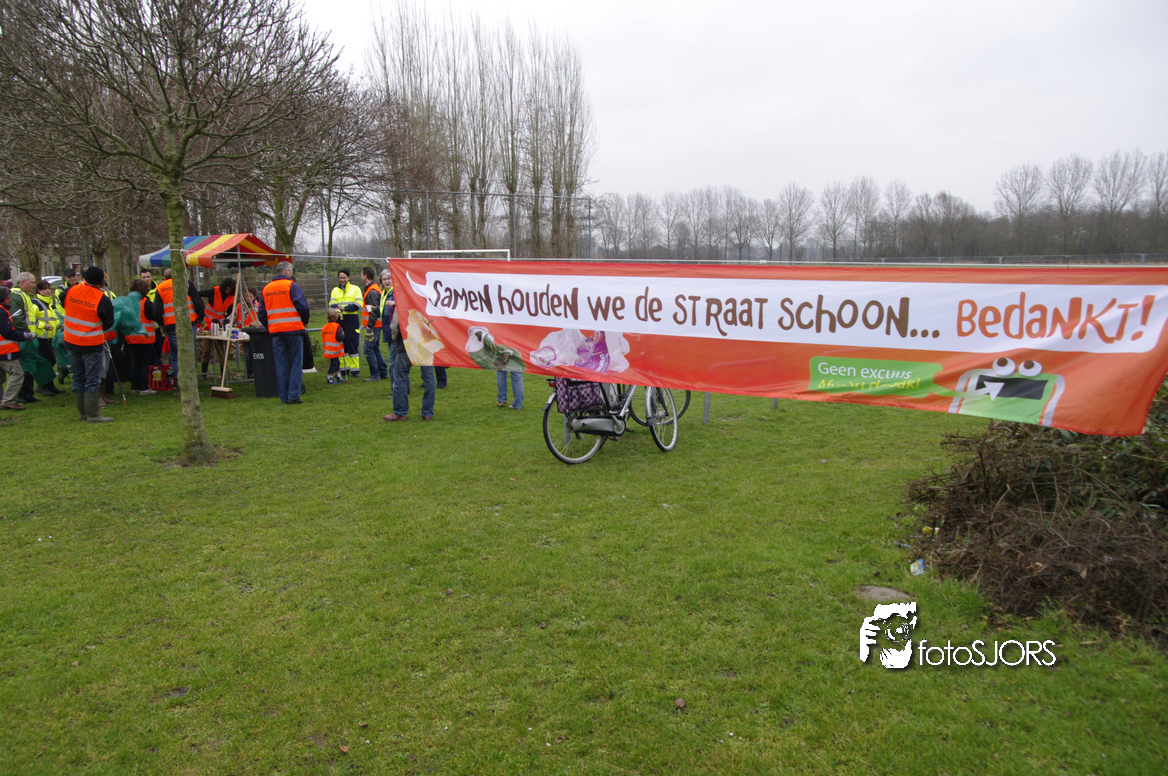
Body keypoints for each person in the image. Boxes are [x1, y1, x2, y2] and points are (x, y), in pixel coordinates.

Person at [63, 266, 116, 422]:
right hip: (91, 343)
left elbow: (64, 304)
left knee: (78, 377)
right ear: (101, 281)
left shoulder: (71, 291)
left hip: (71, 340)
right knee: (92, 379)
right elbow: (108, 323)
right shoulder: (101, 299)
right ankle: (93, 414)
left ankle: (83, 413)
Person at [258, 261, 310, 404]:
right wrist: (304, 321)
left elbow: (261, 314)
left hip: (276, 331)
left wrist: (270, 326)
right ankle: (293, 395)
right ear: (287, 271)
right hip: (293, 329)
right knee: (296, 363)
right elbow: (303, 306)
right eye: (291, 271)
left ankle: (283, 395)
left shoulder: (266, 289)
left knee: (280, 365)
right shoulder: (292, 286)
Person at [384, 306, 435, 421]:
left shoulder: (403, 300)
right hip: (426, 343)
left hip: (407, 342)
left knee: (400, 376)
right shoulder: (428, 300)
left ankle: (401, 412)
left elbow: (395, 325)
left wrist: (396, 340)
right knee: (428, 378)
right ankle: (427, 412)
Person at [152, 267, 205, 372]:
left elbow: (156, 311)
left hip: (171, 324)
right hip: (188, 322)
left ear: (164, 277)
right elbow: (198, 303)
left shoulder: (160, 287)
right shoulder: (186, 283)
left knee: (176, 354)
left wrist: (161, 324)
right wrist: (200, 318)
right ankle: (191, 377)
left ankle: (178, 378)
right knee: (190, 352)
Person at [0, 286, 36, 410]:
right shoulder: (2, 312)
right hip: (5, 350)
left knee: (1, 377)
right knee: (17, 373)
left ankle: (2, 399)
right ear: (6, 298)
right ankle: (8, 401)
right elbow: (7, 332)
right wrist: (24, 335)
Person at [197, 277, 236, 380]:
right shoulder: (214, 291)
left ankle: (223, 375)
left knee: (221, 351)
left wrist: (227, 320)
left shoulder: (232, 297)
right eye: (226, 289)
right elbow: (198, 294)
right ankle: (203, 375)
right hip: (207, 325)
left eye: (230, 290)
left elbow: (230, 312)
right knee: (206, 350)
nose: (227, 291)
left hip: (220, 326)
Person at [328, 269, 362, 380]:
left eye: (344, 277)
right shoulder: (335, 290)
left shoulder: (355, 289)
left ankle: (355, 370)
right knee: (342, 344)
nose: (342, 280)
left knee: (352, 343)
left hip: (351, 319)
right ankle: (344, 369)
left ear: (348, 277)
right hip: (339, 319)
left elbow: (358, 304)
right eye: (340, 278)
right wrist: (337, 308)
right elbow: (332, 303)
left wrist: (345, 308)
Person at [124, 278, 157, 395]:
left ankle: (135, 386)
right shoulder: (145, 302)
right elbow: (154, 315)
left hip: (131, 337)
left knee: (137, 362)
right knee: (144, 362)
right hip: (145, 337)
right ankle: (143, 387)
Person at [32, 279, 64, 396]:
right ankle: (41, 385)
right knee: (48, 361)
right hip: (40, 337)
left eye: (49, 288)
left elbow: (53, 319)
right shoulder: (36, 303)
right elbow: (31, 320)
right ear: (39, 291)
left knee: (49, 361)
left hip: (50, 337)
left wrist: (59, 325)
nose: (47, 291)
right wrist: (43, 326)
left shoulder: (50, 303)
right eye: (44, 289)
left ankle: (49, 385)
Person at [360, 266, 387, 381]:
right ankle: (383, 372)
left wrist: (369, 327)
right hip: (376, 324)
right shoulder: (373, 289)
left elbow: (373, 311)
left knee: (368, 349)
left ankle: (375, 374)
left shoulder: (371, 292)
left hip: (373, 325)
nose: (361, 277)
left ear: (365, 276)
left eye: (361, 274)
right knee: (375, 348)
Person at [379, 268, 397, 391]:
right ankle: (400, 388)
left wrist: (395, 304)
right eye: (384, 279)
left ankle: (396, 389)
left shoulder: (394, 293)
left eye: (389, 279)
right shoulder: (384, 293)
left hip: (394, 332)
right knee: (396, 363)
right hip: (388, 331)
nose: (387, 281)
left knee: (393, 362)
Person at [321, 308, 345, 384]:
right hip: (335, 349)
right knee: (334, 364)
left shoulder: (325, 327)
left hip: (328, 349)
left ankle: (338, 377)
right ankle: (330, 378)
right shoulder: (337, 326)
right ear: (336, 316)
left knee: (336, 363)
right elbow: (340, 337)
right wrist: (343, 334)